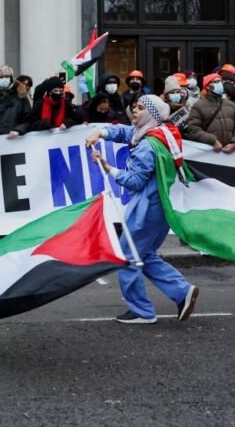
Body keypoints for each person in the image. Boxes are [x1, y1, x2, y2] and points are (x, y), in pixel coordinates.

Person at [85, 95, 200, 325]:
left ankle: (142, 312)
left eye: (140, 108)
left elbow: (135, 181)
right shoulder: (158, 133)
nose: (134, 111)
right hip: (160, 207)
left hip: (146, 209)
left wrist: (108, 168)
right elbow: (126, 132)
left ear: (151, 115)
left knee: (127, 256)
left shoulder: (147, 145)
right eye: (134, 107)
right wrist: (100, 133)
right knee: (144, 254)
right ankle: (182, 291)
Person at [188, 73, 235, 154]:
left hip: (232, 154)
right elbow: (194, 129)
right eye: (216, 82)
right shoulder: (198, 106)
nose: (220, 84)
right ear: (208, 86)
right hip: (209, 154)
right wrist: (212, 141)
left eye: (220, 81)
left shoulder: (231, 104)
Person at [9, 76, 78, 137]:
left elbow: (75, 119)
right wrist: (43, 124)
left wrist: (68, 123)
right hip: (42, 142)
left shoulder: (66, 104)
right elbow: (30, 123)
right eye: (55, 90)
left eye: (61, 91)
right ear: (49, 92)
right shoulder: (39, 105)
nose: (58, 93)